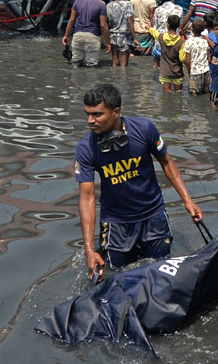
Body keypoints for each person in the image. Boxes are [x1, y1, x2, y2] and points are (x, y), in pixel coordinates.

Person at [74, 84, 203, 276]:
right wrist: (89, 250)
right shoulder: (86, 148)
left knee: (162, 272)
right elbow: (87, 198)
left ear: (116, 112)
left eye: (97, 114)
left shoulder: (144, 129)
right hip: (116, 223)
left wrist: (188, 201)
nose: (90, 121)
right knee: (114, 277)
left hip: (153, 216)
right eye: (88, 114)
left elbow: (167, 162)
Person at [62, 0, 111, 67]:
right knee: (91, 66)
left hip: (77, 35)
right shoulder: (101, 4)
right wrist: (108, 42)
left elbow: (72, 20)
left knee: (76, 63)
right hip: (92, 36)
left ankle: (74, 80)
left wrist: (66, 35)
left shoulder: (78, 0)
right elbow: (103, 25)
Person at [147, 14, 186, 93]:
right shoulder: (181, 42)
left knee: (166, 94)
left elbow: (155, 32)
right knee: (178, 94)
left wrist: (149, 28)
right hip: (177, 72)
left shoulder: (162, 37)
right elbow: (182, 58)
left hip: (165, 72)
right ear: (178, 26)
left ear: (167, 25)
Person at [106, 0, 134, 68]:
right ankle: (123, 78)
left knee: (114, 61)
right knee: (124, 64)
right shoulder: (127, 4)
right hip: (124, 36)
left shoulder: (108, 5)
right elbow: (130, 22)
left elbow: (107, 22)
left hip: (113, 36)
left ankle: (114, 76)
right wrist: (135, 37)